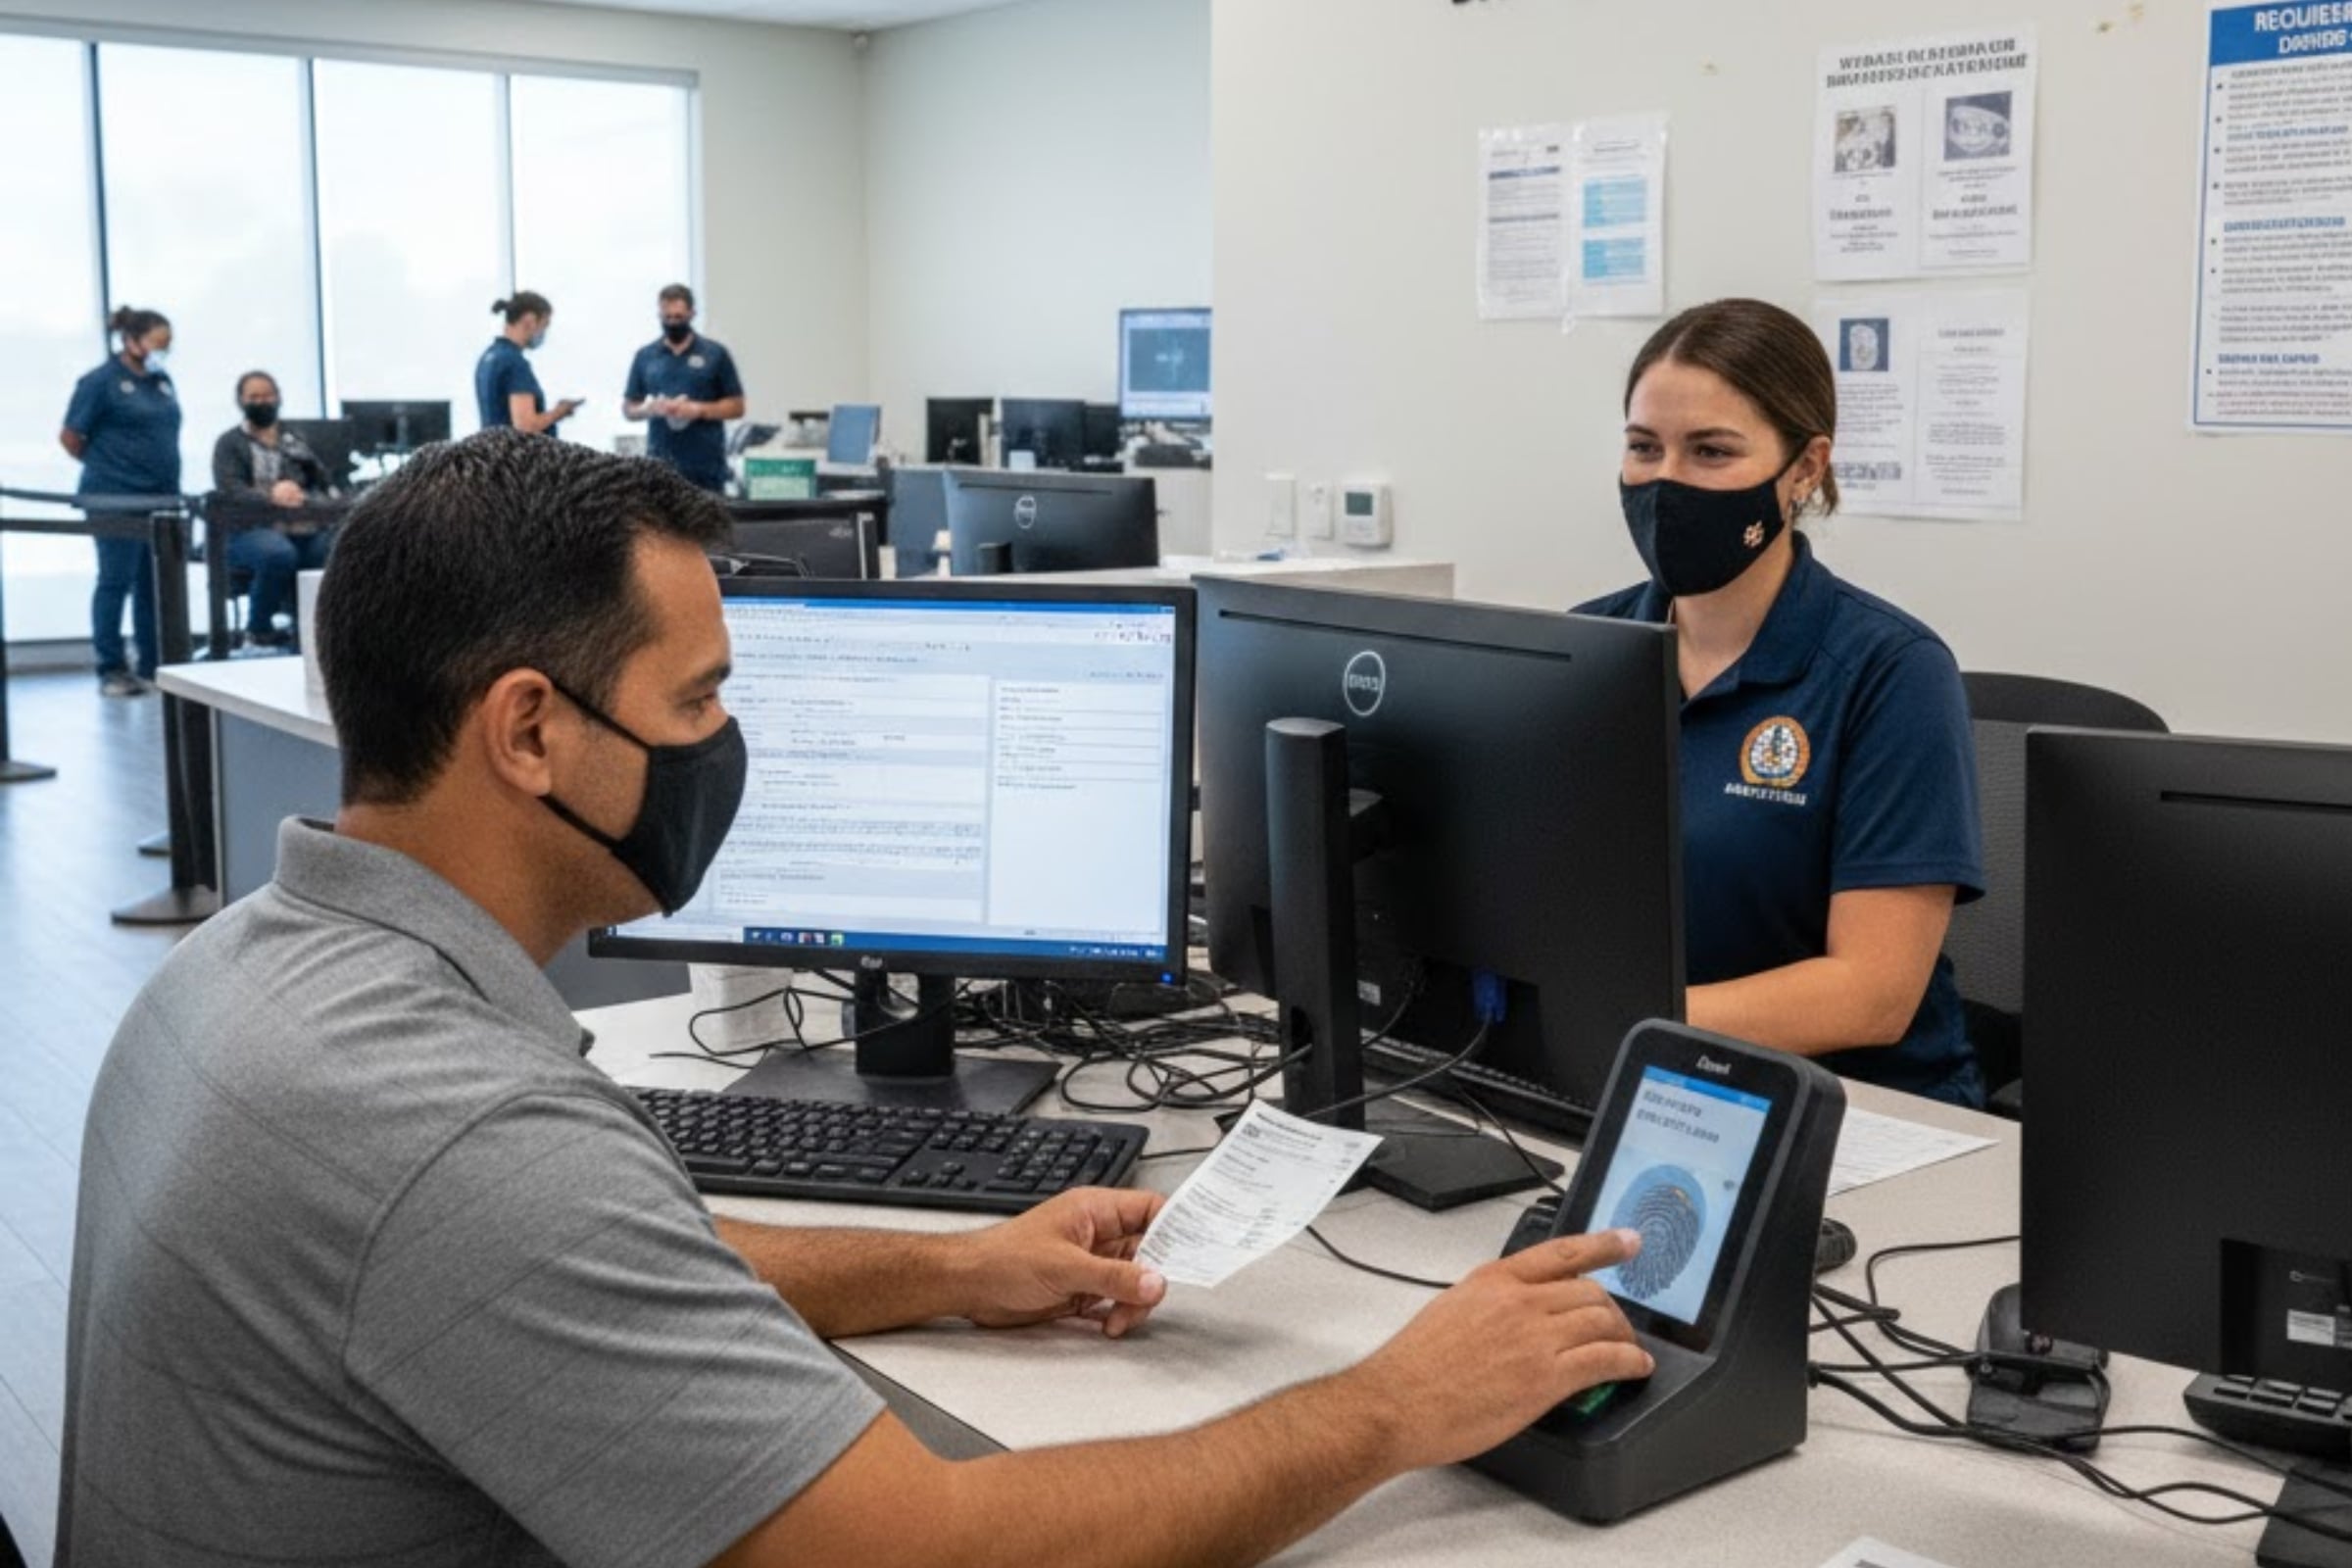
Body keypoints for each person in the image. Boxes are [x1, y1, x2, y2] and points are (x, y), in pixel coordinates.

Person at [59, 428, 1651, 1566]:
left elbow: (598, 1257)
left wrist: (948, 1270)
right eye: (697, 701)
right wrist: (1384, 1405)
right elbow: (928, 1547)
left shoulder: (248, 974)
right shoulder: (461, 1139)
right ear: (529, 732)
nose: (725, 746)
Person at [1575, 298, 1986, 1105]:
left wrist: (1617, 1021)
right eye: (1644, 447)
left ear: (1805, 469)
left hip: (1855, 1109)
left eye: (1711, 451)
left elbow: (1872, 991)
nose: (1667, 482)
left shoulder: (1891, 670)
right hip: (1642, 1081)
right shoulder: (1586, 651)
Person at [60, 306, 179, 697]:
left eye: (167, 344)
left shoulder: (161, 382)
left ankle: (152, 664)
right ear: (130, 341)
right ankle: (111, 667)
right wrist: (112, 467)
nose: (162, 350)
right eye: (155, 342)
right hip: (113, 497)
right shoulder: (101, 382)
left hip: (159, 497)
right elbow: (71, 437)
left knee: (152, 585)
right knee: (115, 581)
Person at [211, 370, 336, 647]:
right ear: (241, 401)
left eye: (267, 395)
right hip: (247, 530)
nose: (262, 402)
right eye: (254, 397)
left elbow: (324, 484)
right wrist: (271, 495)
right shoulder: (229, 443)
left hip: (299, 525)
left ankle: (311, 631)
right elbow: (230, 490)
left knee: (327, 548)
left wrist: (300, 492)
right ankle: (259, 627)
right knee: (278, 552)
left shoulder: (295, 440)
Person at [622, 282, 745, 493]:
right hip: (660, 466)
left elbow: (737, 406)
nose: (672, 322)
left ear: (691, 313)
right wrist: (649, 408)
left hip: (705, 467)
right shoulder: (646, 356)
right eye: (666, 317)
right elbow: (629, 408)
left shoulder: (715, 354)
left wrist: (698, 410)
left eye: (678, 317)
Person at [475, 290, 580, 435]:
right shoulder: (514, 363)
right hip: (516, 455)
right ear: (530, 321)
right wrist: (559, 412)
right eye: (544, 325)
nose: (543, 333)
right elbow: (525, 425)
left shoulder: (489, 357)